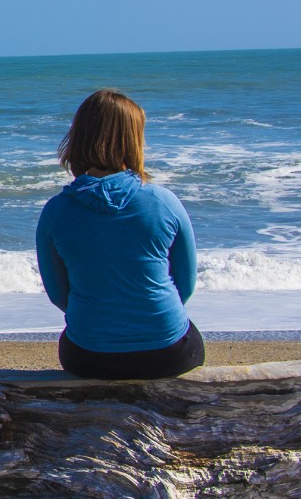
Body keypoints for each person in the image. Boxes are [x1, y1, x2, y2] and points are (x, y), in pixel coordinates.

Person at [36, 88, 204, 379]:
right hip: (167, 353)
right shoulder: (164, 202)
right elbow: (185, 286)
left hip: (90, 356)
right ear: (132, 142)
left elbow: (58, 294)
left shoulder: (56, 211)